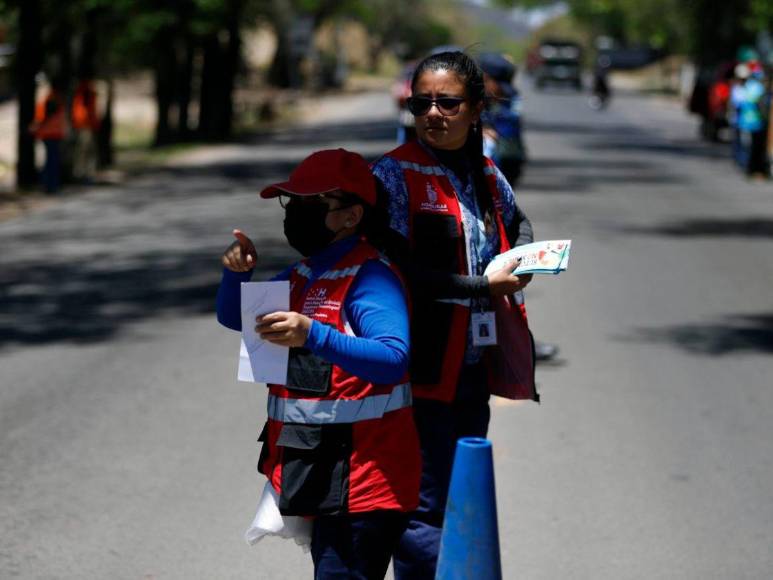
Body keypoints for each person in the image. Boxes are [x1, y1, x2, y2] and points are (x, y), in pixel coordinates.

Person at [371, 50, 539, 579]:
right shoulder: (392, 176)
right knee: (422, 507)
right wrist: (479, 286)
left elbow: (520, 220)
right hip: (415, 373)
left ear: (475, 109)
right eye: (423, 103)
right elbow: (393, 270)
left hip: (472, 368)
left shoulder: (486, 172)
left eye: (448, 103)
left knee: (461, 493)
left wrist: (524, 261)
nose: (433, 114)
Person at [216, 149, 421, 579]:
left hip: (365, 481)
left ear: (350, 216)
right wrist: (236, 275)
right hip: (319, 472)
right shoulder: (302, 274)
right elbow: (238, 318)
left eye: (311, 204)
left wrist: (313, 334)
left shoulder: (371, 277)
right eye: (292, 203)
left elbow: (393, 359)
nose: (296, 213)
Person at [29, 80, 66, 193]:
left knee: (51, 160)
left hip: (52, 133)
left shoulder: (52, 97)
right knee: (51, 161)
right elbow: (44, 117)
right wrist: (35, 127)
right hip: (50, 134)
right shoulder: (52, 98)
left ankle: (50, 186)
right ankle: (49, 186)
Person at [71, 79, 101, 182]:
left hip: (85, 125)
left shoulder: (84, 91)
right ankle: (84, 174)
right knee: (85, 151)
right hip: (85, 125)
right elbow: (87, 111)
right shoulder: (85, 92)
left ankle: (86, 174)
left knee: (85, 151)